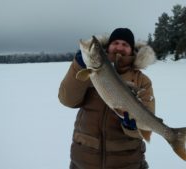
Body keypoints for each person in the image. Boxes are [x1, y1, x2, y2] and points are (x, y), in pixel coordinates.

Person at [58, 28, 156, 169]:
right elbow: (67, 99)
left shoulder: (141, 80)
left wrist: (133, 128)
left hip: (126, 162)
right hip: (84, 159)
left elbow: (148, 121)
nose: (120, 47)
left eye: (125, 44)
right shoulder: (88, 71)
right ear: (108, 46)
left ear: (132, 50)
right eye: (115, 42)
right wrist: (78, 66)